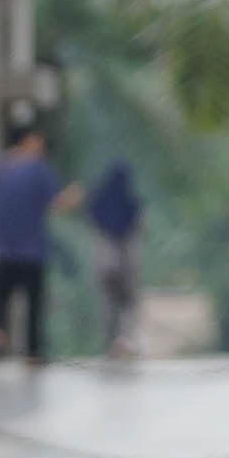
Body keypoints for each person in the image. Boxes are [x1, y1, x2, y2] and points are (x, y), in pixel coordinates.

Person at [0, 110, 79, 362]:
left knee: (0, 299)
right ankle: (33, 352)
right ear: (27, 140)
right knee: (34, 304)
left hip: (2, 248)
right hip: (32, 250)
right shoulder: (38, 169)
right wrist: (73, 197)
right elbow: (55, 203)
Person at [86, 154, 144, 360]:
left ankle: (109, 342)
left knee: (107, 303)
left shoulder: (98, 200)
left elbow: (93, 222)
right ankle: (124, 339)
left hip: (104, 259)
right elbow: (137, 227)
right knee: (128, 302)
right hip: (126, 260)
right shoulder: (131, 201)